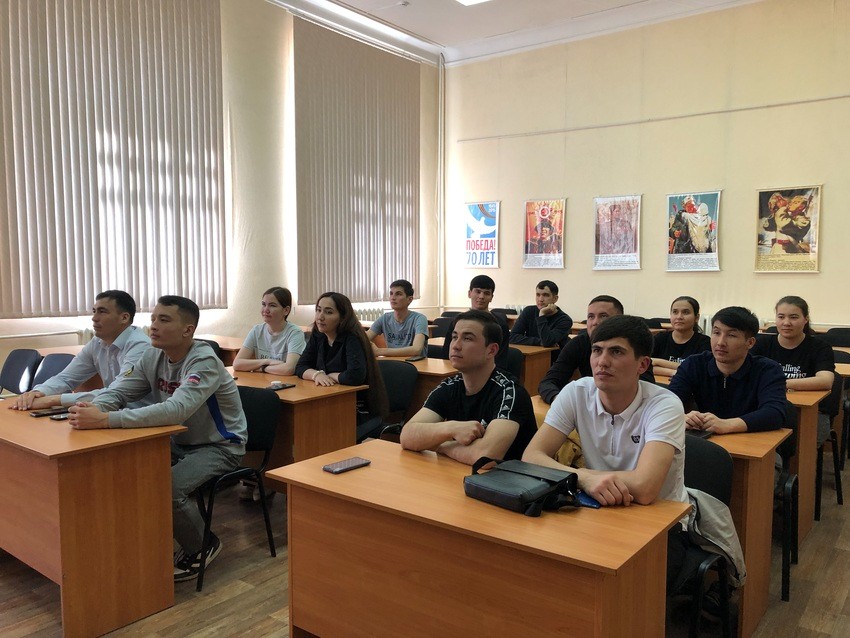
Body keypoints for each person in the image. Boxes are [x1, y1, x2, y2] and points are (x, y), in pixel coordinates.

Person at [66, 296, 248, 582]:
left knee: (167, 487)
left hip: (220, 446)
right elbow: (121, 391)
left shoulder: (204, 361)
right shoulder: (153, 355)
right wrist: (95, 408)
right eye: (153, 319)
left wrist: (105, 420)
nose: (153, 326)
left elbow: (176, 410)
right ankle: (145, 540)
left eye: (164, 320)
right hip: (178, 441)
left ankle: (202, 545)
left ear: (188, 330)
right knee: (125, 469)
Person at [523, 315, 688, 589]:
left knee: (623, 587)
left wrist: (582, 477)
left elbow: (646, 488)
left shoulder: (664, 404)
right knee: (544, 569)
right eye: (597, 350)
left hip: (660, 520)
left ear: (642, 365)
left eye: (616, 352)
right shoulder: (576, 392)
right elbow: (532, 457)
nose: (602, 361)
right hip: (594, 507)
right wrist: (584, 478)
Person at [400, 310, 536, 464]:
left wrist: (440, 446)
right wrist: (451, 428)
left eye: (467, 338)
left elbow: (484, 457)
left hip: (507, 477)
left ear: (491, 350)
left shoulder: (510, 392)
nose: (456, 346)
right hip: (460, 472)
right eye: (454, 337)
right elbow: (407, 436)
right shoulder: (448, 386)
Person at [10, 290, 152, 411]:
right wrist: (38, 392)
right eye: (94, 311)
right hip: (110, 411)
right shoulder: (97, 342)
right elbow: (66, 378)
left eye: (102, 312)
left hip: (138, 417)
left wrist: (53, 400)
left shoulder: (140, 346)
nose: (94, 318)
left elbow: (116, 392)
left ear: (124, 317)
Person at [668, 306, 787, 435]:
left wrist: (727, 425)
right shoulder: (694, 364)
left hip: (750, 439)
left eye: (731, 335)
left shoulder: (768, 370)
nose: (720, 342)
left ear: (750, 343)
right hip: (705, 438)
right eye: (716, 333)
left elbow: (775, 413)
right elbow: (668, 403)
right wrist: (683, 418)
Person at [296, 292, 389, 440]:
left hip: (357, 409)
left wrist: (331, 376)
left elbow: (355, 376)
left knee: (323, 435)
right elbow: (301, 366)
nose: (320, 317)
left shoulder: (352, 337)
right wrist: (316, 375)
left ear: (342, 317)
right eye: (318, 310)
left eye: (328, 312)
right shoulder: (318, 334)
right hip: (329, 403)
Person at [537, 295, 654, 404]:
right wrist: (560, 402)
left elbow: (645, 388)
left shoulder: (634, 344)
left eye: (603, 316)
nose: (595, 322)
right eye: (590, 317)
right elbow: (548, 382)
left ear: (619, 321)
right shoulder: (578, 343)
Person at [752, 296, 834, 440]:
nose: (786, 323)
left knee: (797, 441)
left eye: (794, 317)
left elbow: (825, 381)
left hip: (812, 412)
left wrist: (779, 384)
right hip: (766, 406)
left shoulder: (820, 347)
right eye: (781, 317)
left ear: (805, 319)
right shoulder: (761, 344)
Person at [440, 275, 511, 369]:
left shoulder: (500, 325)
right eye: (478, 292)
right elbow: (446, 356)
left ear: (491, 297)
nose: (481, 297)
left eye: (486, 293)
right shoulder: (458, 323)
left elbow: (500, 360)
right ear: (469, 293)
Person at [233, 286, 306, 375]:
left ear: (286, 310)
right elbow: (237, 364)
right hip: (263, 380)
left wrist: (263, 368)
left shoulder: (295, 333)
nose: (266, 310)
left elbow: (289, 369)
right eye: (264, 304)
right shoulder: (256, 330)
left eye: (272, 305)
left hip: (286, 382)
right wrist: (266, 361)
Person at [509, 280, 573, 360]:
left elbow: (547, 342)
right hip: (530, 356)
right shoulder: (528, 311)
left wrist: (541, 315)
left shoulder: (565, 320)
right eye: (538, 295)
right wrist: (539, 342)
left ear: (555, 298)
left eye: (545, 295)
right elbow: (512, 337)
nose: (540, 299)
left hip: (553, 360)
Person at [366, 279, 428, 358]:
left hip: (413, 364)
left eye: (398, 294)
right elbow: (364, 338)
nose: (393, 297)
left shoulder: (419, 319)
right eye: (391, 294)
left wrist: (379, 351)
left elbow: (416, 349)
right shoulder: (385, 318)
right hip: (392, 362)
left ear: (409, 299)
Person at [651, 296, 711, 378]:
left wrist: (658, 362)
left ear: (696, 318)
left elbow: (697, 370)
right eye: (675, 312)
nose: (679, 317)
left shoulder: (704, 342)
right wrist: (674, 372)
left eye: (685, 312)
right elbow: (646, 366)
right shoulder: (660, 338)